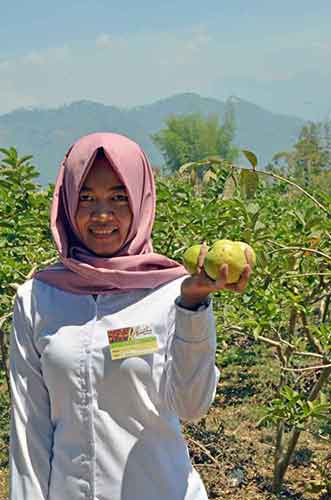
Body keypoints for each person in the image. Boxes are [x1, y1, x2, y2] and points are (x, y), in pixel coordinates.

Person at [9, 132, 252, 500]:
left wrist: (193, 307)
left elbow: (192, 406)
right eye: (86, 197)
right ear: (67, 201)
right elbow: (29, 430)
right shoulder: (38, 299)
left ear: (140, 201)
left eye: (119, 197)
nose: (102, 214)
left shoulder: (171, 293)